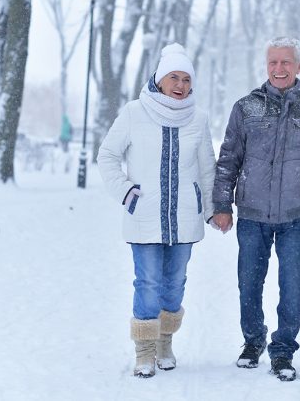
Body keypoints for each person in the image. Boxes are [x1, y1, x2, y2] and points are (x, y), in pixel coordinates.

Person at [211, 37, 300, 381]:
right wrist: (222, 204)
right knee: (249, 283)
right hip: (252, 215)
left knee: (293, 286)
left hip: (297, 219)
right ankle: (253, 341)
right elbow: (228, 158)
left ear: (298, 67)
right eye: (273, 62)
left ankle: (283, 350)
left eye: (286, 62)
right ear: (266, 65)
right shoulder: (246, 108)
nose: (279, 69)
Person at [97, 43, 215, 378]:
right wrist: (127, 193)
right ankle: (145, 351)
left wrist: (211, 209)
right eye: (174, 77)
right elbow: (107, 156)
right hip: (144, 216)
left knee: (175, 284)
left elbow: (208, 169)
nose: (181, 85)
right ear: (160, 80)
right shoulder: (135, 112)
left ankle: (165, 342)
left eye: (186, 79)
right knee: (147, 282)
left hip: (184, 219)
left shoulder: (199, 118)